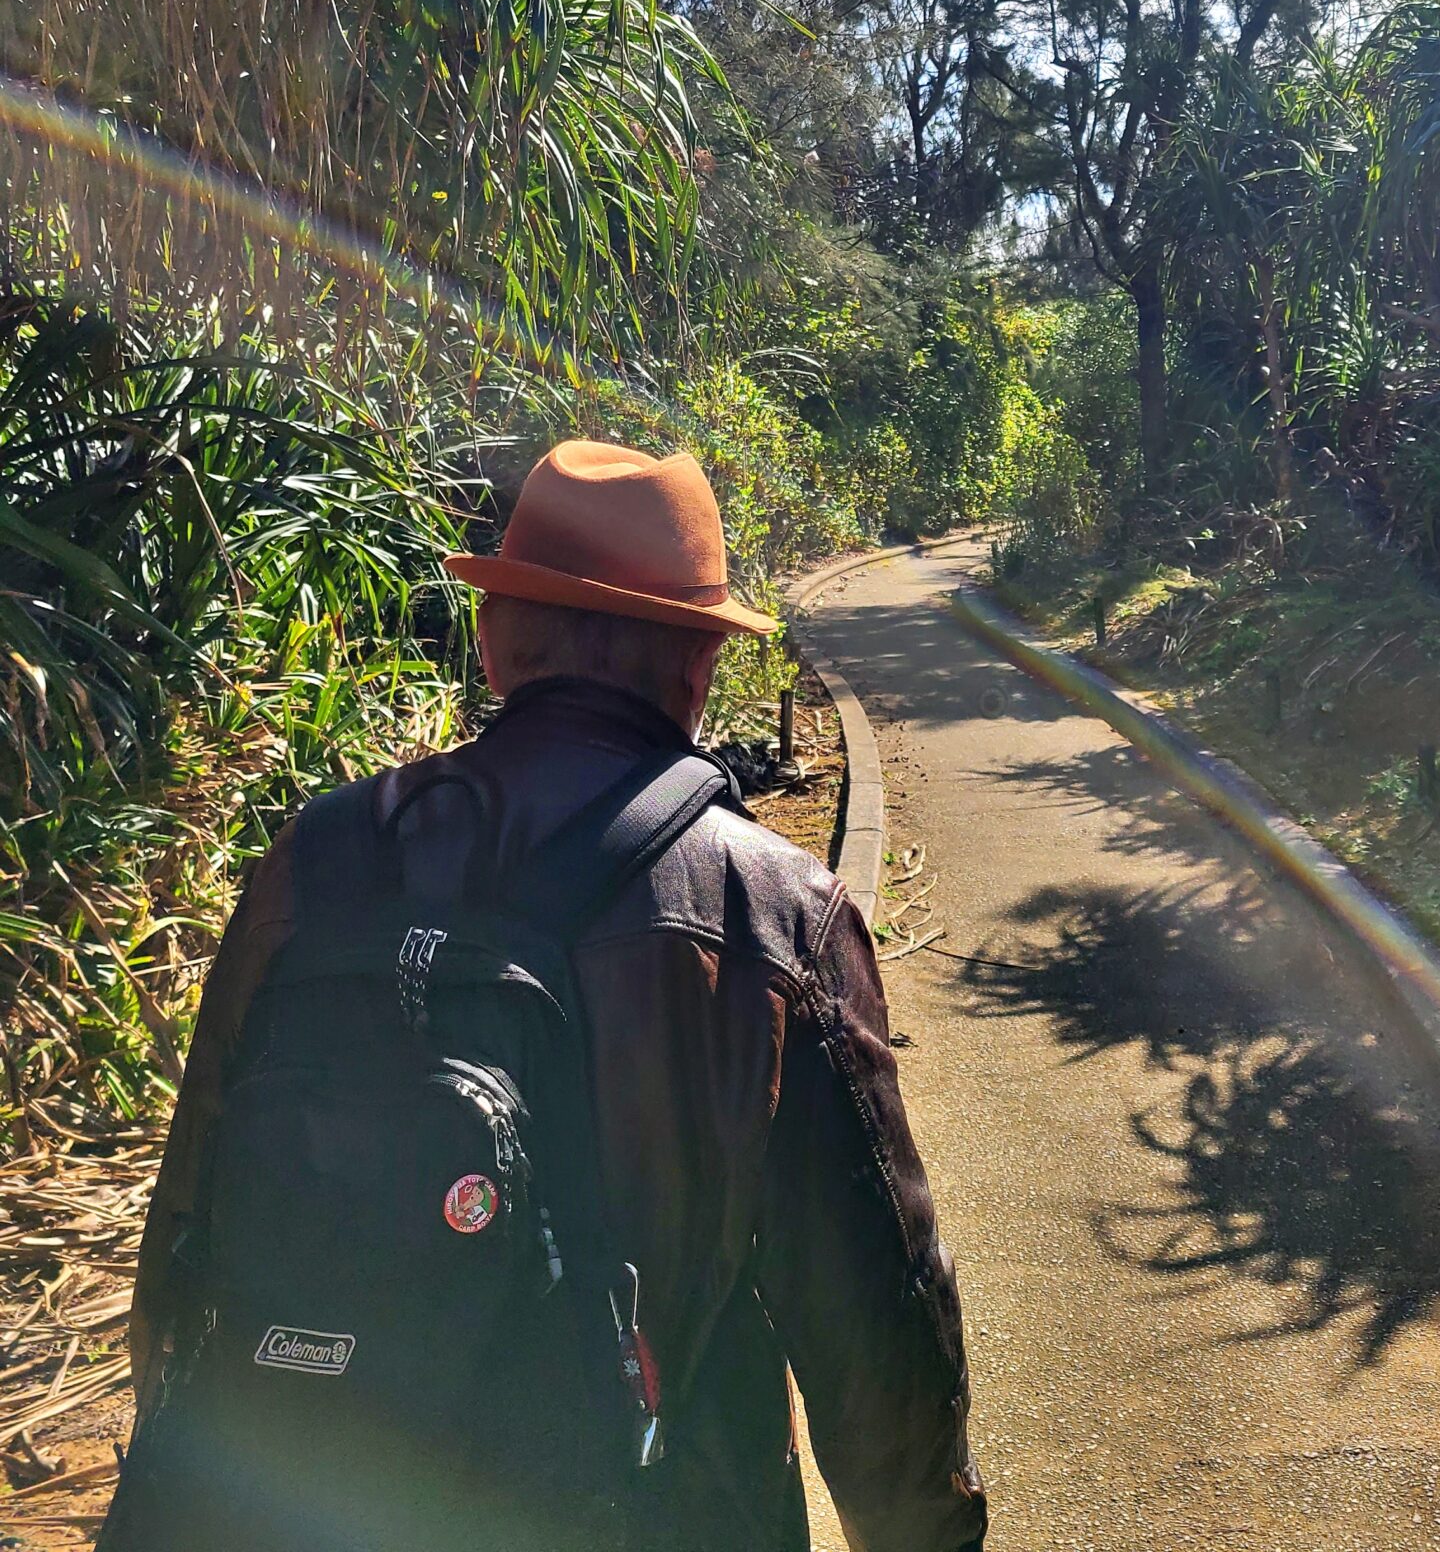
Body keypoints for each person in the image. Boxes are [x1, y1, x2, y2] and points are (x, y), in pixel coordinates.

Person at [127, 439, 989, 1551]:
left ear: (495, 648)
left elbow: (189, 1220)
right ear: (698, 670)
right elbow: (880, 1322)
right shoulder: (769, 911)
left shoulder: (316, 860)